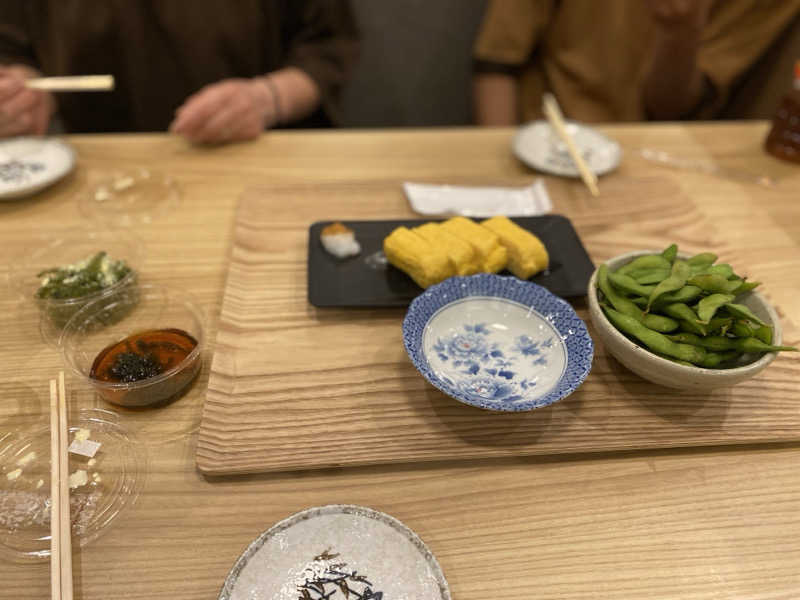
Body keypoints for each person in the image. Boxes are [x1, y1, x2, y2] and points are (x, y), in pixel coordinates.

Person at [0, 1, 358, 144]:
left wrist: (266, 97)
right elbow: (13, 46)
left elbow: (326, 49)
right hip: (94, 174)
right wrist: (22, 93)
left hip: (251, 158)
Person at [472, 0, 800, 124]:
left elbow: (672, 108)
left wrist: (680, 32)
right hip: (544, 137)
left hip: (668, 157)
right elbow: (496, 62)